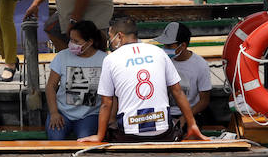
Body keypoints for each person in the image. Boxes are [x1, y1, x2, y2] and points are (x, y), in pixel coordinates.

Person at [82, 15, 205, 144]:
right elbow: (177, 91)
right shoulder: (158, 52)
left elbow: (106, 103)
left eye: (110, 37)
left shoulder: (111, 59)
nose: (110, 41)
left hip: (130, 134)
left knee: (112, 130)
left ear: (119, 36)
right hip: (163, 132)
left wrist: (99, 136)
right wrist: (192, 124)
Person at [45, 19, 107, 140]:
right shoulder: (62, 56)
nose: (71, 44)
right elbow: (50, 87)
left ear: (89, 42)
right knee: (56, 142)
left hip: (90, 114)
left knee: (85, 143)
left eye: (76, 41)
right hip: (62, 113)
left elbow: (111, 94)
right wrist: (54, 113)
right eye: (71, 40)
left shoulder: (104, 60)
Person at [156, 21, 212, 124]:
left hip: (191, 113)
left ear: (182, 46)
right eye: (164, 45)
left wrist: (185, 118)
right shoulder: (160, 61)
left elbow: (204, 101)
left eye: (169, 46)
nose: (165, 49)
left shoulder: (200, 65)